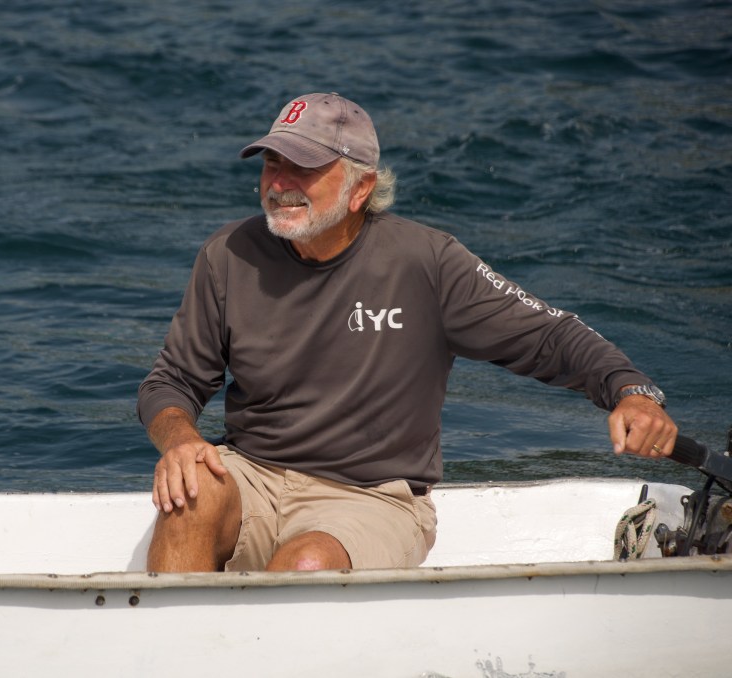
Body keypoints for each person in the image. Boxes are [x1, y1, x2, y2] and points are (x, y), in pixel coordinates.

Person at [136, 92, 676, 573]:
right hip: (252, 471)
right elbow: (170, 383)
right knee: (189, 498)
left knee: (307, 563)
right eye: (272, 163)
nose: (279, 184)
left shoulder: (428, 262)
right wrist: (181, 441)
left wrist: (631, 392)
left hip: (372, 496)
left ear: (361, 187)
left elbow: (550, 335)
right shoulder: (228, 254)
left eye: (302, 168)